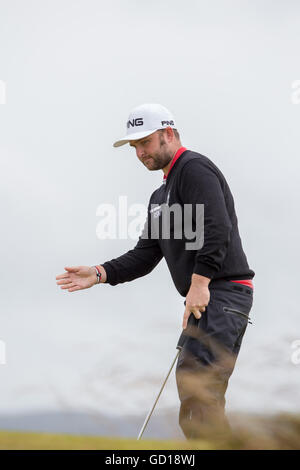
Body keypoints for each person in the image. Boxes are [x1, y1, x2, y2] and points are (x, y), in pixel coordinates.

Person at [56, 103, 255, 440]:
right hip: (209, 297)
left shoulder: (194, 169)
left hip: (222, 292)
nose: (139, 152)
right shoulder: (160, 195)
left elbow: (216, 226)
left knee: (199, 397)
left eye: (145, 142)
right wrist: (99, 272)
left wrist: (199, 284)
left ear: (168, 133)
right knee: (195, 398)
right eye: (134, 146)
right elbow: (146, 255)